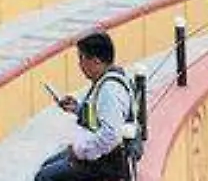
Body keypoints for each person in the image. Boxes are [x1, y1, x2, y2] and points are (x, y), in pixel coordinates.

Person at [36, 32, 139, 181]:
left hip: (106, 164)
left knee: (45, 177)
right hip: (99, 155)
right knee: (47, 166)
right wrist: (77, 109)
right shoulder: (105, 80)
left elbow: (110, 136)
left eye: (82, 58)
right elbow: (98, 117)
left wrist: (80, 151)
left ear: (96, 61)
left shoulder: (110, 90)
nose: (79, 65)